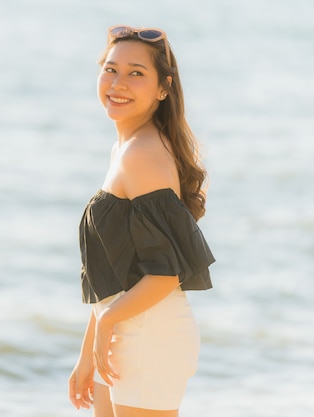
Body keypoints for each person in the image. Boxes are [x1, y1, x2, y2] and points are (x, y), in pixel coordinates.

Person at [68, 26, 216, 417]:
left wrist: (107, 324)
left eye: (136, 73)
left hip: (150, 335)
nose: (118, 83)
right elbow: (115, 272)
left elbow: (167, 272)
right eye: (110, 69)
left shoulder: (142, 154)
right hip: (122, 330)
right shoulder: (125, 146)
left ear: (163, 88)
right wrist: (88, 350)